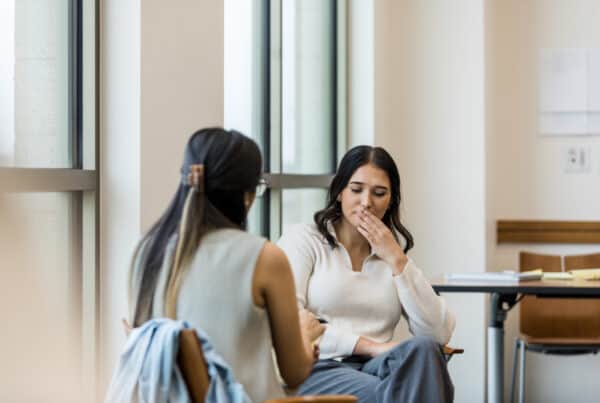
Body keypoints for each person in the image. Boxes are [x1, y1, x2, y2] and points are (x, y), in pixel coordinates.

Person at [128, 128, 324, 402]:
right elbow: (294, 372)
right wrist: (306, 336)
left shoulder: (146, 250)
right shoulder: (264, 258)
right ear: (246, 195)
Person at [277, 145, 456, 403]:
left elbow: (439, 333)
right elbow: (289, 324)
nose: (367, 202)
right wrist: (370, 346)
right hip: (319, 366)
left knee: (425, 349)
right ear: (339, 192)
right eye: (356, 189)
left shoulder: (392, 255)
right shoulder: (304, 240)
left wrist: (397, 259)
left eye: (379, 193)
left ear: (391, 200)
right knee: (398, 393)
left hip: (378, 367)